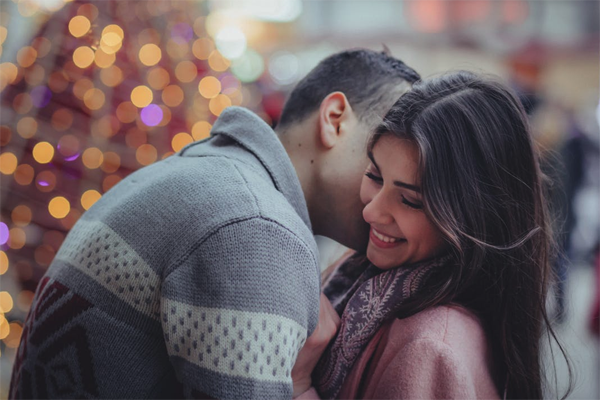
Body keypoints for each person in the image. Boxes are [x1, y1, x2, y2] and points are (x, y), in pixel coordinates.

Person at [9, 49, 420, 400]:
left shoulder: (209, 175)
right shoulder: (256, 226)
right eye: (382, 156)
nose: (392, 193)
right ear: (334, 119)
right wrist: (297, 385)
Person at [292, 71, 571, 400]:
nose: (371, 212)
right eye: (375, 176)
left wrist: (299, 386)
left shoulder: (432, 347)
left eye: (411, 201)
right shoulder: (371, 278)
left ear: (474, 216)